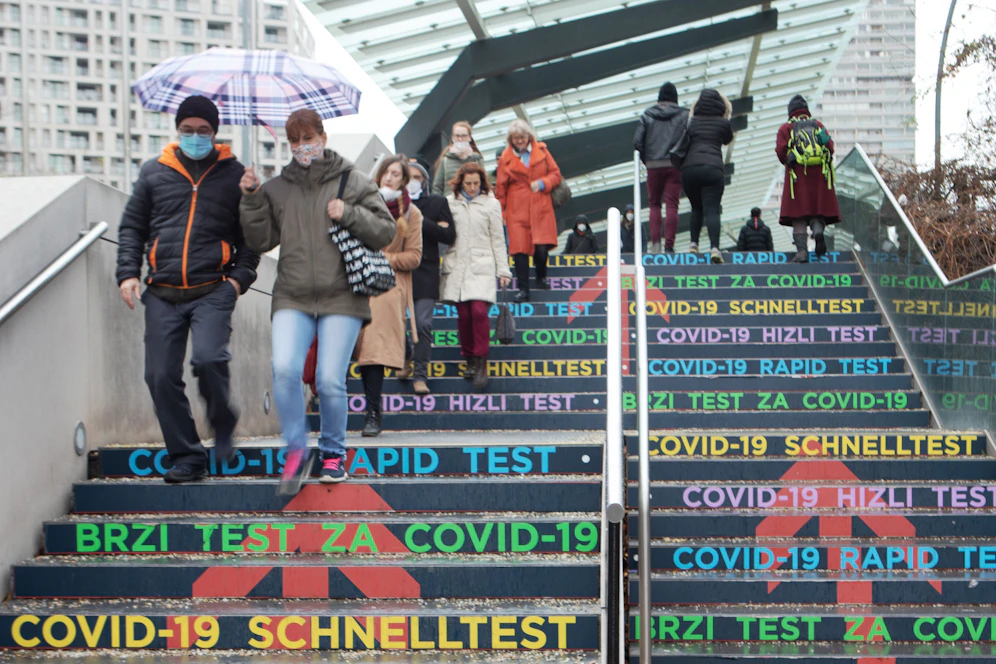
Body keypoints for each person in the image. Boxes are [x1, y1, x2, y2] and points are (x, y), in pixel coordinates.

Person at [239, 109, 395, 489]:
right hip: (292, 294)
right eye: (294, 141)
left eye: (308, 138)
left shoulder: (352, 180)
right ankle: (296, 448)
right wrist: (250, 200)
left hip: (342, 296)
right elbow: (260, 241)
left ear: (323, 138)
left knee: (328, 379)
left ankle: (333, 452)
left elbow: (386, 231)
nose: (302, 147)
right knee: (285, 369)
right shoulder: (277, 188)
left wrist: (350, 213)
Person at [116, 95, 260, 484]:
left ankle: (222, 420)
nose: (195, 136)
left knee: (210, 359)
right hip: (161, 291)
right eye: (188, 130)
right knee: (160, 376)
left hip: (212, 288)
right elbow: (132, 227)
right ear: (177, 130)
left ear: (214, 133)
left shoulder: (236, 176)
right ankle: (187, 457)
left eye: (203, 131)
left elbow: (252, 241)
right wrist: (127, 273)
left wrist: (237, 281)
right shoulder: (153, 172)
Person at [353, 156, 424, 437]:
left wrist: (383, 258)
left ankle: (373, 412)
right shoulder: (362, 205)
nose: (390, 177)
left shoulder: (411, 214)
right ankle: (403, 345)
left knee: (372, 349)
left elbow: (414, 256)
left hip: (386, 285)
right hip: (356, 282)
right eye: (386, 172)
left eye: (396, 174)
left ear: (404, 181)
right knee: (358, 346)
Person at [440, 162, 512, 390]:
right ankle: (469, 356)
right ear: (460, 182)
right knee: (463, 314)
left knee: (479, 311)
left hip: (482, 264)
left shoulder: (492, 204)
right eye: (468, 183)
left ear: (482, 182)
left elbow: (498, 239)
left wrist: (503, 270)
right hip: (457, 263)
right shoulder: (449, 203)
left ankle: (481, 360)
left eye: (476, 183)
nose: (471, 187)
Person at [401, 161, 456, 396]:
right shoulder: (391, 203)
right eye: (408, 177)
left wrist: (423, 221)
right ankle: (404, 356)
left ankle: (420, 374)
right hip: (397, 268)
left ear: (424, 180)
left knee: (422, 324)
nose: (413, 181)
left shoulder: (436, 202)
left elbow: (448, 235)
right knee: (394, 321)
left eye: (417, 177)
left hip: (425, 271)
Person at [495, 118, 562, 302]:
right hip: (517, 209)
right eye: (515, 138)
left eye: (522, 136)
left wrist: (542, 183)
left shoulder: (542, 151)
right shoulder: (505, 159)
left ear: (528, 136)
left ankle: (541, 277)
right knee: (519, 250)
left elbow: (556, 174)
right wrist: (500, 212)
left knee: (541, 246)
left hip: (540, 205)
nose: (519, 140)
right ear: (510, 139)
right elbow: (500, 189)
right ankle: (523, 289)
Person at [776, 94, 841, 262]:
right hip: (820, 177)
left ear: (790, 111)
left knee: (798, 214)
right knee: (816, 209)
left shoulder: (786, 128)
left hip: (797, 176)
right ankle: (818, 230)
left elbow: (781, 151)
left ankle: (802, 252)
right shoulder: (818, 126)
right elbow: (830, 148)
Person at [634, 82, 689, 254]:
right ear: (675, 98)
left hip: (653, 165)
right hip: (675, 165)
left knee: (654, 204)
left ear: (659, 98)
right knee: (672, 204)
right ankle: (669, 246)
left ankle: (656, 245)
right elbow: (689, 139)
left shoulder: (647, 115)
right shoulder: (685, 115)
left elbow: (637, 142)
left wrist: (647, 160)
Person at [681, 88, 733, 264]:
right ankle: (714, 249)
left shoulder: (691, 122)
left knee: (696, 208)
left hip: (690, 169)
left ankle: (693, 244)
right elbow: (727, 140)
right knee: (712, 209)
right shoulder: (723, 123)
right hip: (713, 169)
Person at [432, 121, 484, 196]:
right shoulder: (445, 160)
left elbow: (484, 183)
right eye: (457, 136)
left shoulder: (477, 159)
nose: (460, 139)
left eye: (463, 136)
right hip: (451, 204)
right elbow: (437, 187)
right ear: (452, 138)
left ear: (469, 137)